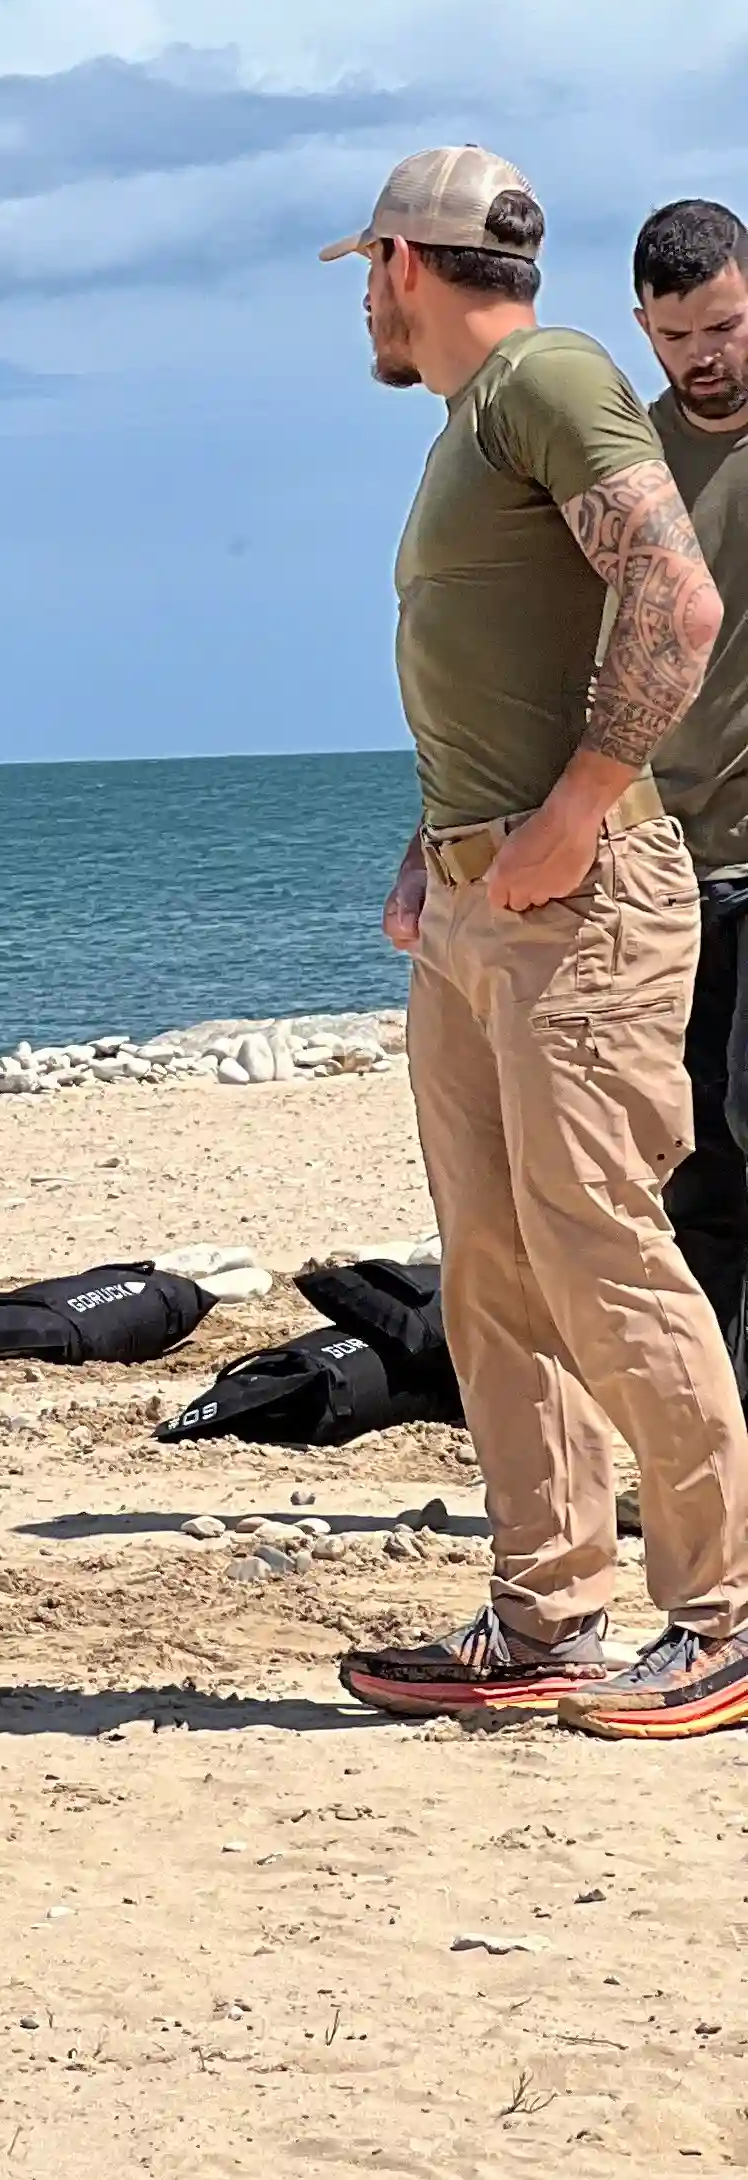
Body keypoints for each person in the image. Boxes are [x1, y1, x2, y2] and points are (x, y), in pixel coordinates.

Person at [322, 149, 748, 1739]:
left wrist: (583, 800)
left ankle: (724, 1613)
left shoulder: (546, 377)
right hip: (483, 904)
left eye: (367, 268)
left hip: (586, 905)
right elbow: (508, 669)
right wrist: (435, 855)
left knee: (600, 1248)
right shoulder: (470, 428)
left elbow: (675, 593)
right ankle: (545, 1609)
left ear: (404, 263)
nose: (363, 299)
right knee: (492, 1266)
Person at [630, 199, 748, 1363]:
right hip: (674, 863)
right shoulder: (636, 459)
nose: (704, 358)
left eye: (724, 327)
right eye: (678, 337)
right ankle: (712, 1471)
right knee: (696, 1163)